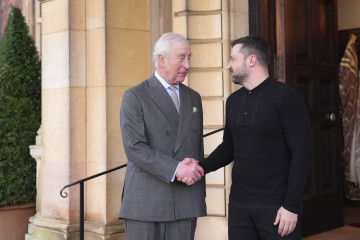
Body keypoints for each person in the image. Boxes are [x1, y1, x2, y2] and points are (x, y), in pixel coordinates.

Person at [196, 35, 312, 239]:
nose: (228, 66)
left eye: (233, 59)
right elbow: (229, 147)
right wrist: (200, 167)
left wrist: (291, 206)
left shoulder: (286, 97)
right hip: (239, 206)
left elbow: (301, 154)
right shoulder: (233, 101)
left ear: (251, 60)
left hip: (277, 208)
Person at [119, 32, 206, 240]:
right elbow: (134, 147)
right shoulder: (135, 96)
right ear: (161, 59)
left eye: (189, 58)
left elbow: (196, 147)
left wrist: (195, 179)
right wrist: (177, 169)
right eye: (181, 58)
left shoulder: (194, 98)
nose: (187, 64)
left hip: (186, 201)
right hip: (146, 202)